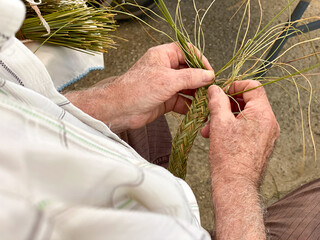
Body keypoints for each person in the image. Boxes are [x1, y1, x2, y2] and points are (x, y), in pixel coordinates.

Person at [1, 0, 320, 239]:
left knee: (148, 122)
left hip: (97, 163)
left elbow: (15, 113)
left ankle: (167, 177)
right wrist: (236, 182)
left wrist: (109, 102)